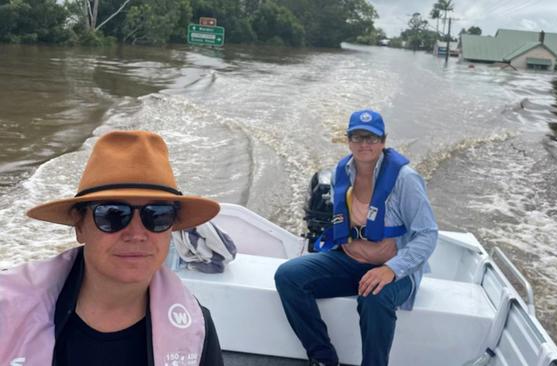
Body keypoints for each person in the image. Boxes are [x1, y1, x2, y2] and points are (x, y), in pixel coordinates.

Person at [0, 130, 224, 366]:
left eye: (157, 215)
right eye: (113, 214)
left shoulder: (197, 328)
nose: (137, 234)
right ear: (80, 226)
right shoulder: (7, 309)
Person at [274, 109, 438, 366]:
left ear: (383, 141)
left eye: (371, 138)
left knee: (374, 297)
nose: (364, 145)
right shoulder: (342, 172)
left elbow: (428, 234)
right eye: (358, 137)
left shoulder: (405, 179)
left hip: (395, 270)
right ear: (348, 140)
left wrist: (391, 270)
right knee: (288, 276)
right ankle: (323, 358)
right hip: (350, 261)